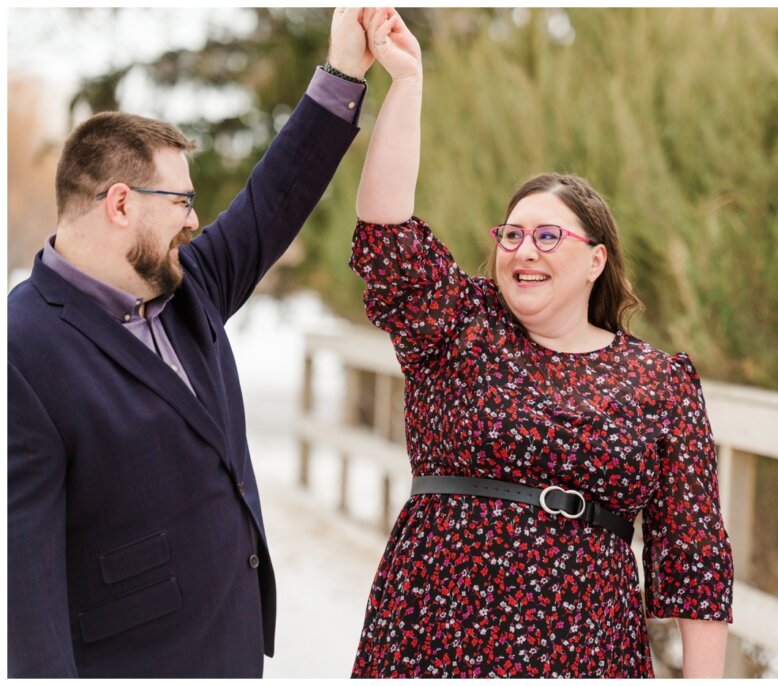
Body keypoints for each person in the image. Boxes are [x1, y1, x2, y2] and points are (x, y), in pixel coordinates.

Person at [348, 8, 733, 678]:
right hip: (436, 634)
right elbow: (386, 233)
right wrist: (407, 83)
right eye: (513, 235)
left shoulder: (659, 382)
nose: (525, 250)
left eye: (549, 236)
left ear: (596, 262)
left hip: (583, 651)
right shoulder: (458, 330)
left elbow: (694, 558)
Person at [7, 8, 376, 678]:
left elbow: (273, 200)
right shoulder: (20, 350)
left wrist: (344, 70)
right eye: (180, 201)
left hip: (231, 652)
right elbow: (23, 590)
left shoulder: (187, 283)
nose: (196, 220)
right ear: (120, 204)